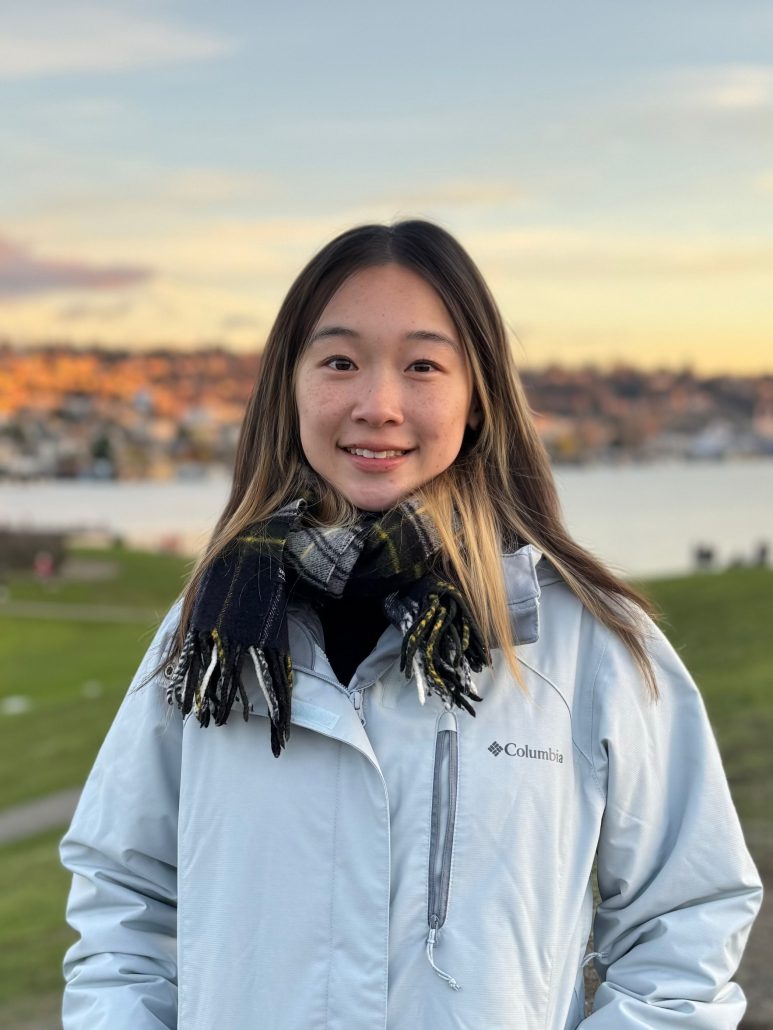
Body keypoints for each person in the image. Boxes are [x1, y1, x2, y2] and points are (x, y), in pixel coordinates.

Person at [60, 220, 762, 1029]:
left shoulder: (586, 644)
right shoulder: (209, 639)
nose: (377, 405)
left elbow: (688, 920)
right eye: (339, 362)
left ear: (476, 400)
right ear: (290, 390)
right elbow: (123, 900)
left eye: (423, 366)